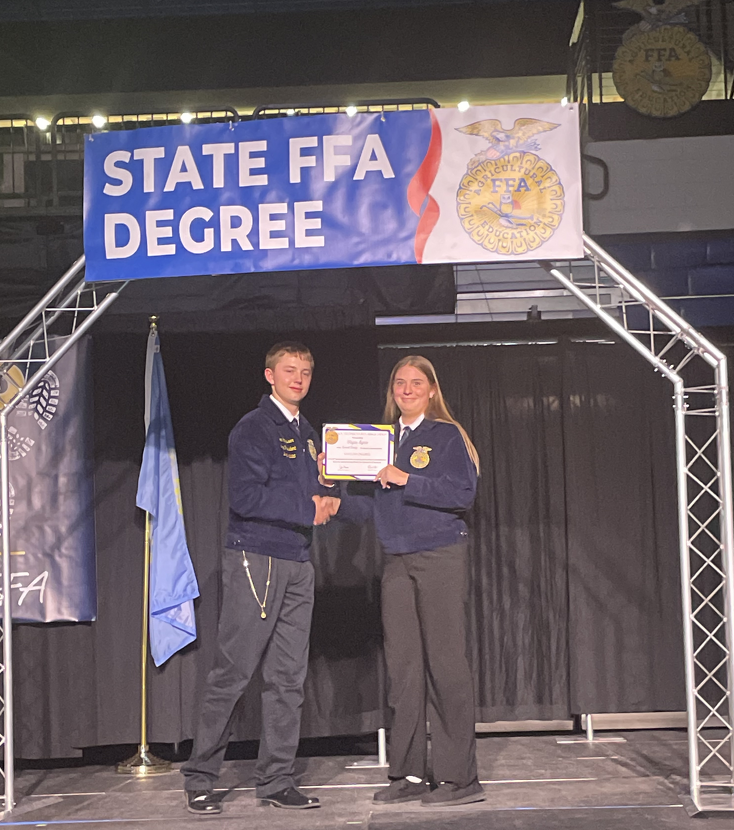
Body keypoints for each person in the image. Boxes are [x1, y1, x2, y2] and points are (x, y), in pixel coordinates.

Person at [182, 342, 340, 814]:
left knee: (288, 679)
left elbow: (315, 491)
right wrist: (308, 507)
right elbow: (246, 499)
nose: (299, 377)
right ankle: (200, 778)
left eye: (306, 370)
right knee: (233, 672)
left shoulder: (311, 432)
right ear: (269, 375)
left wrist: (332, 491)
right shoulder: (253, 428)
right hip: (257, 558)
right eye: (289, 370)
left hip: (297, 561)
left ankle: (276, 779)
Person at [334, 355, 483, 808]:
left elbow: (463, 493)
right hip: (396, 560)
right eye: (400, 382)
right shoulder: (380, 440)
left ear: (433, 390)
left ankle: (460, 779)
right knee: (403, 670)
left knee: (445, 665)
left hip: (439, 554)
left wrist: (408, 479)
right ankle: (410, 775)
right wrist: (333, 482)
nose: (407, 388)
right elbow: (369, 506)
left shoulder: (446, 435)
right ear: (392, 391)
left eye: (417, 382)